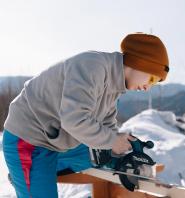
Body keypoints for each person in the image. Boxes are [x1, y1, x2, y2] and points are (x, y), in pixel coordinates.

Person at [2, 32, 169, 198]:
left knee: (99, 156)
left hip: (54, 141)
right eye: (152, 79)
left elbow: (106, 126)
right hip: (28, 139)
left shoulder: (113, 87)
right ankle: (27, 174)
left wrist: (120, 146)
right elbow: (73, 119)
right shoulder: (93, 66)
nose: (148, 87)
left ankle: (26, 176)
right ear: (140, 63)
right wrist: (112, 141)